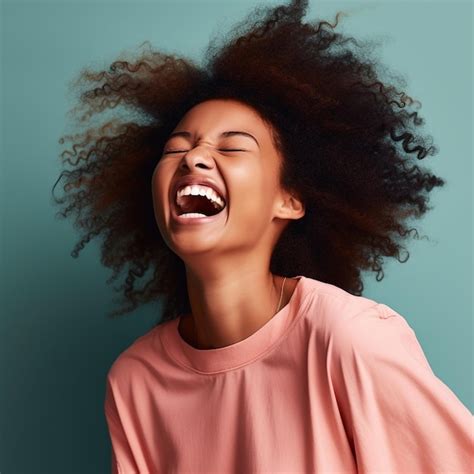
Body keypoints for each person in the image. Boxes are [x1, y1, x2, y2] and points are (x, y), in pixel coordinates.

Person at [52, 0, 473, 472]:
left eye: (231, 147)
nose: (194, 159)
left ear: (289, 201)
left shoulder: (348, 341)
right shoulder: (136, 380)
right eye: (177, 149)